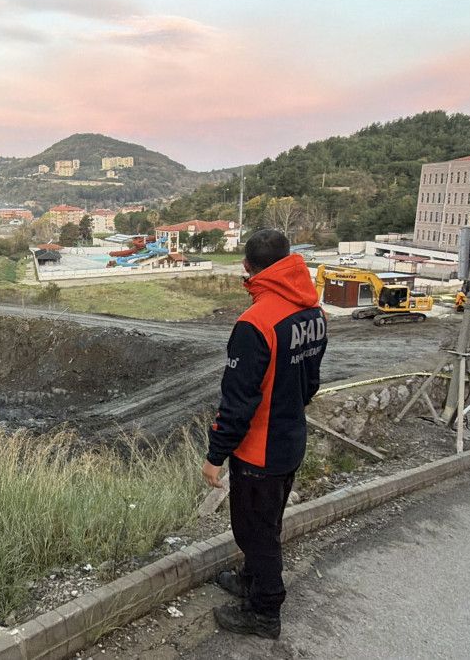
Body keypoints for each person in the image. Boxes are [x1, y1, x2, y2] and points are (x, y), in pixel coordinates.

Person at [202, 229, 327, 640]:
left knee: (255, 534)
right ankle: (251, 581)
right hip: (291, 440)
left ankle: (264, 611)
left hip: (259, 451)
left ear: (247, 266)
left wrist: (215, 455)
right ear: (288, 260)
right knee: (267, 523)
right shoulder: (312, 312)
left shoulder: (255, 323)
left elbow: (238, 402)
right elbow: (311, 382)